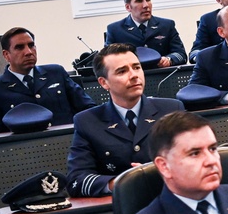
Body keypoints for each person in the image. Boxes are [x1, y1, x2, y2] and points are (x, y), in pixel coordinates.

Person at [67, 43, 184, 197]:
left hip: (170, 197)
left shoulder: (171, 110)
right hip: (118, 207)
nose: (134, 75)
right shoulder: (87, 121)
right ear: (104, 82)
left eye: (136, 67)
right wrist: (122, 182)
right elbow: (76, 180)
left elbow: (193, 160)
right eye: (122, 71)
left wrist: (155, 173)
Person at [0, 27, 96, 134]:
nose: (29, 52)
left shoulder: (56, 73)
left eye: (31, 45)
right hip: (26, 152)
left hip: (69, 143)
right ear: (6, 55)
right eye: (20, 47)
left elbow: (88, 108)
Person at [105, 0, 188, 66]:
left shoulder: (167, 25)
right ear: (128, 7)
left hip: (162, 74)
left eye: (148, 0)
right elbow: (108, 61)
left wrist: (169, 59)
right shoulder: (115, 30)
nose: (146, 5)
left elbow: (181, 54)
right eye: (139, 1)